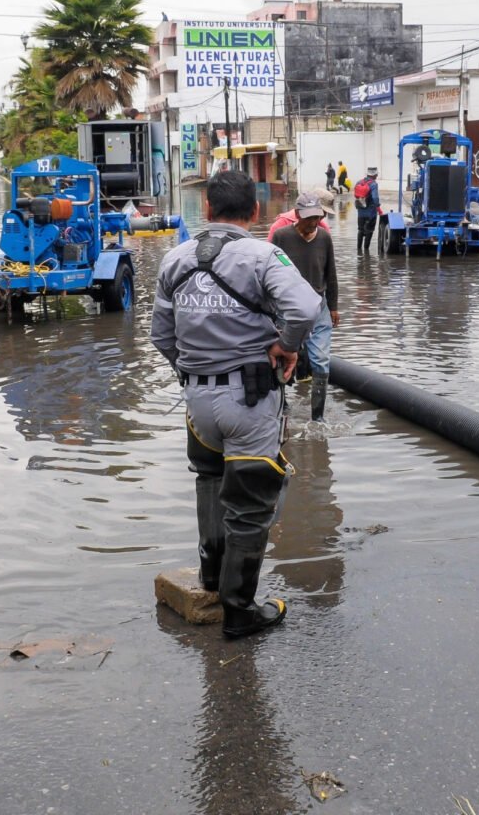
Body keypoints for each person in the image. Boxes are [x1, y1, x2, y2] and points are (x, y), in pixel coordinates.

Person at [152, 170, 323, 639]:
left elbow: (160, 336)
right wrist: (287, 345)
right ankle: (240, 611)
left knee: (209, 481)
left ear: (207, 208)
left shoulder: (175, 258)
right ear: (255, 211)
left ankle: (211, 577)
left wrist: (194, 370)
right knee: (249, 503)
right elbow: (305, 309)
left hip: (197, 402)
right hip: (248, 400)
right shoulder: (263, 255)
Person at [269, 193, 339, 421]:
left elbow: (331, 274)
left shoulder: (324, 237)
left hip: (318, 306)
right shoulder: (281, 236)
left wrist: (333, 306)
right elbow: (268, 273)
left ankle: (317, 417)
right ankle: (282, 407)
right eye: (309, 218)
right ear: (298, 215)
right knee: (282, 355)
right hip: (287, 308)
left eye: (317, 217)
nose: (313, 222)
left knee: (321, 360)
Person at [353, 168, 381, 254]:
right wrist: (378, 207)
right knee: (369, 231)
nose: (377, 176)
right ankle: (366, 251)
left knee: (360, 230)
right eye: (377, 174)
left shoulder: (359, 182)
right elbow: (375, 198)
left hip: (360, 213)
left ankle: (358, 250)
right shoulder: (373, 184)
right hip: (371, 213)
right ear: (375, 175)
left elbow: (356, 195)